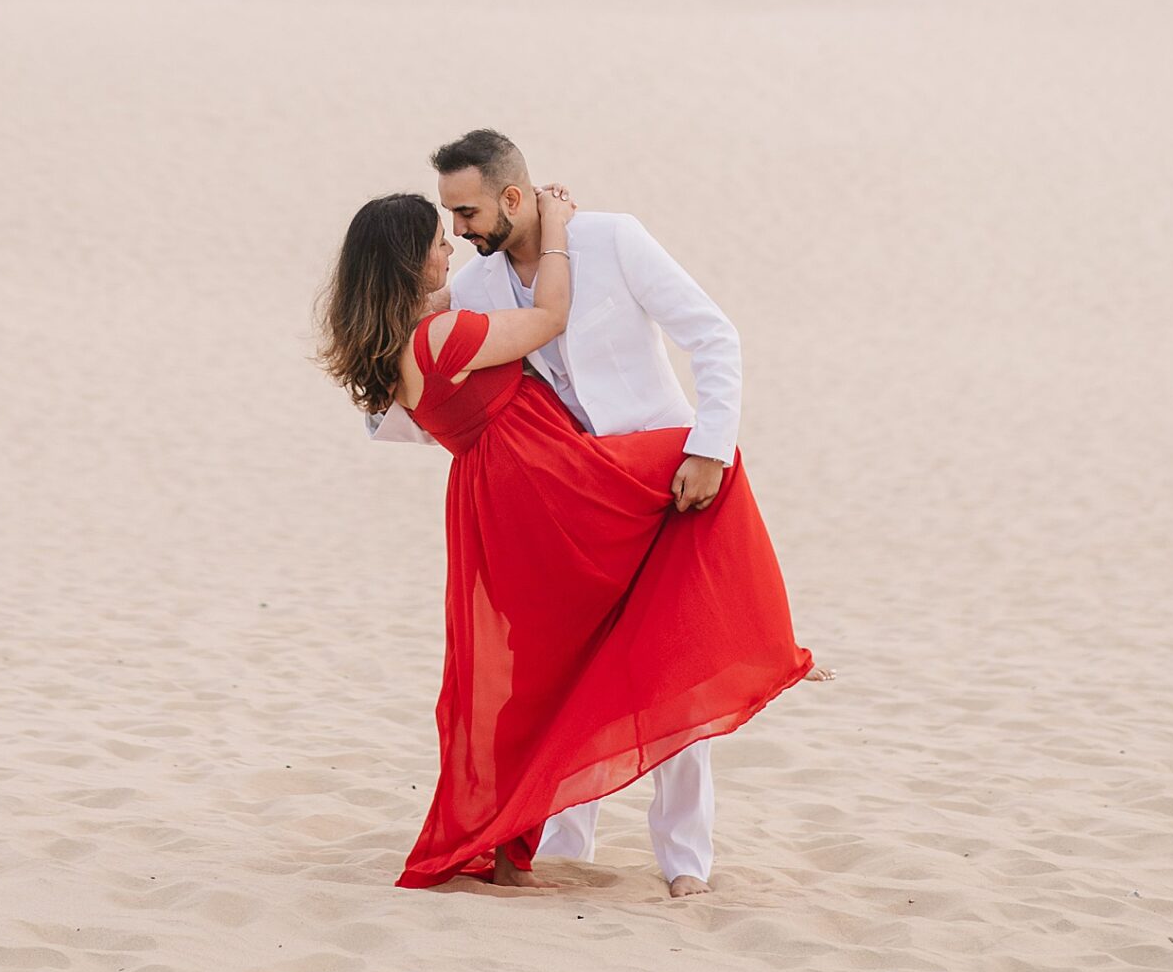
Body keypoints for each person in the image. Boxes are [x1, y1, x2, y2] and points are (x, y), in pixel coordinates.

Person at [323, 155, 815, 891]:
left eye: (463, 216)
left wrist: (707, 447)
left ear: (507, 196)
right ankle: (561, 840)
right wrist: (553, 227)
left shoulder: (610, 241)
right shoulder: (468, 297)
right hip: (561, 490)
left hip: (594, 484)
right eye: (442, 228)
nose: (454, 237)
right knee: (557, 669)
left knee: (667, 648)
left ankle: (682, 859)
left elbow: (713, 337)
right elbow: (527, 329)